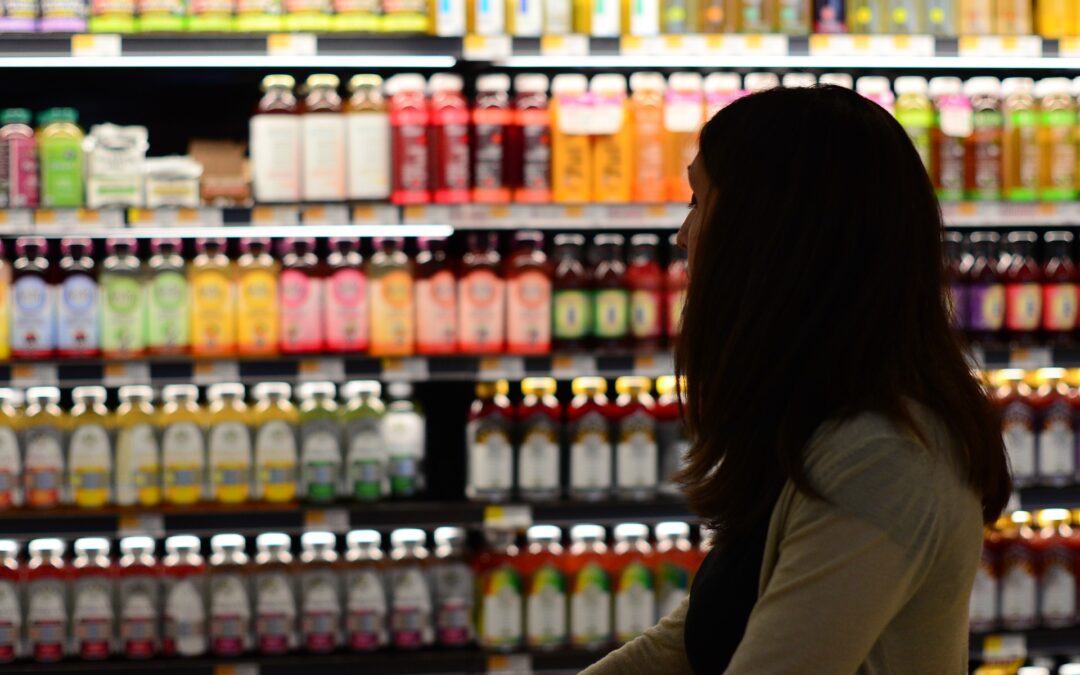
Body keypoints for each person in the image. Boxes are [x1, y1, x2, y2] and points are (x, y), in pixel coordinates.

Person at [582, 85, 1011, 674]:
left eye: (698, 202)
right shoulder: (817, 421)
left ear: (770, 237)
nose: (683, 235)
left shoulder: (884, 461)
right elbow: (683, 647)